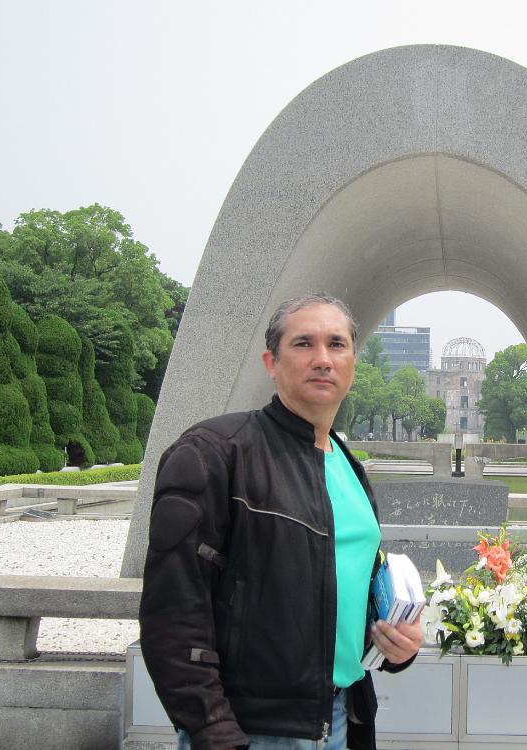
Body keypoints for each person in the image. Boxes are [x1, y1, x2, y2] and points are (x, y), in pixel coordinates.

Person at [139, 294, 423, 750]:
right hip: (253, 729)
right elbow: (173, 610)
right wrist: (211, 727)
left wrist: (396, 644)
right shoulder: (215, 453)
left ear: (353, 361)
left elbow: (349, 592)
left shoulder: (349, 467)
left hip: (344, 718)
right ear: (271, 362)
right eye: (303, 344)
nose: (322, 359)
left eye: (337, 344)